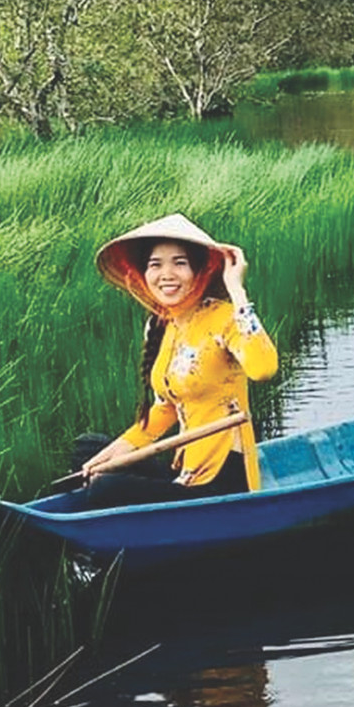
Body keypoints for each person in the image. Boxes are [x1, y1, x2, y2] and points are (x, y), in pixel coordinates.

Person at [73, 213, 278, 505]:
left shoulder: (225, 317)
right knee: (88, 449)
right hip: (185, 468)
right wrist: (111, 455)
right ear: (143, 273)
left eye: (179, 263)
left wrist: (237, 290)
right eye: (155, 264)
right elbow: (165, 409)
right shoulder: (160, 326)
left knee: (106, 488)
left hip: (223, 473)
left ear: (199, 271)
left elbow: (263, 369)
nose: (166, 274)